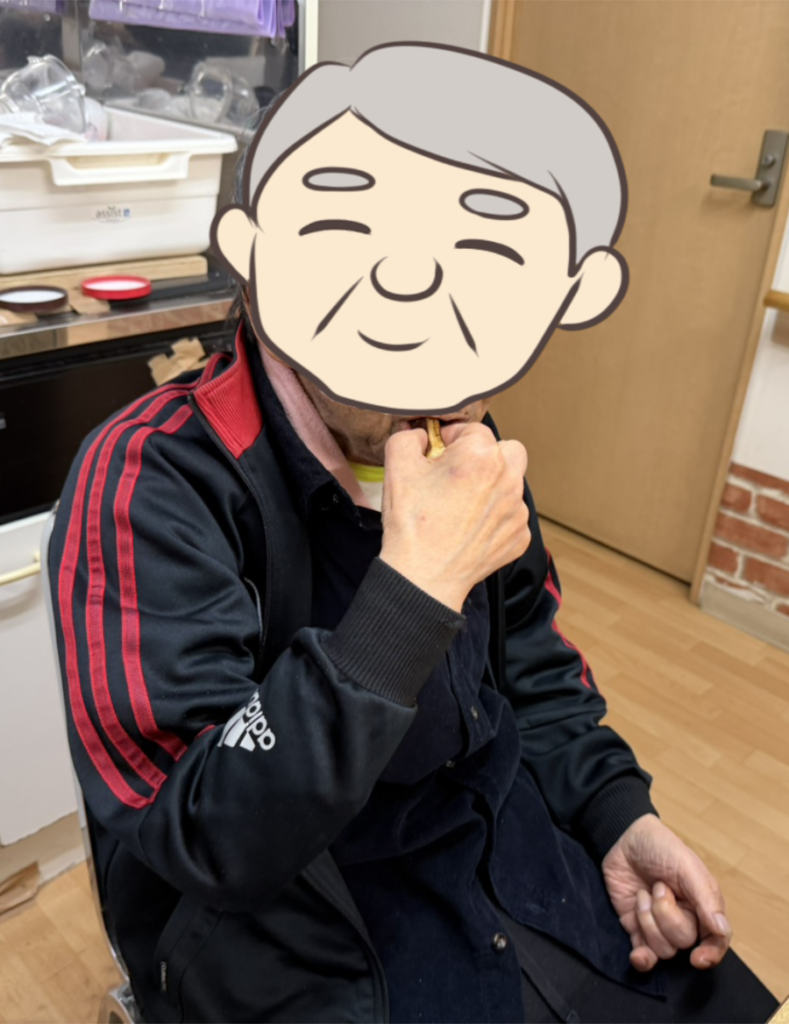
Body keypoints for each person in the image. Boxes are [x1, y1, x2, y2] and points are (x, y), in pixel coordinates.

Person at [48, 43, 780, 1023]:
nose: (406, 288)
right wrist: (416, 586)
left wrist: (616, 815)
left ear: (567, 291)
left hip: (499, 854)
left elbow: (532, 662)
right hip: (296, 927)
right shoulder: (152, 478)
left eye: (489, 256)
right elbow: (204, 831)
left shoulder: (460, 426)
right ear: (254, 250)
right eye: (342, 229)